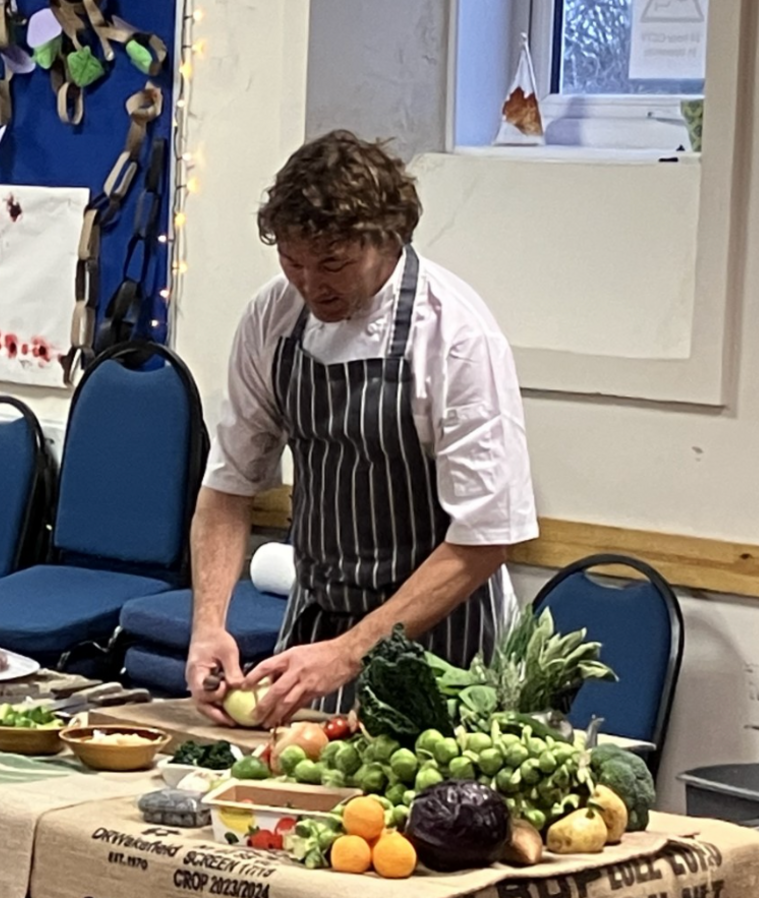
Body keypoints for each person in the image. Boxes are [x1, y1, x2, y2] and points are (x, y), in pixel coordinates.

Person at [187, 130, 537, 728]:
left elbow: (485, 539)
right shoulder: (273, 320)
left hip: (445, 645)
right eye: (293, 262)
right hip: (320, 622)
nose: (311, 284)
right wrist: (208, 626)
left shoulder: (455, 337)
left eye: (333, 264)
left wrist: (351, 654)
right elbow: (228, 488)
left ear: (389, 240)